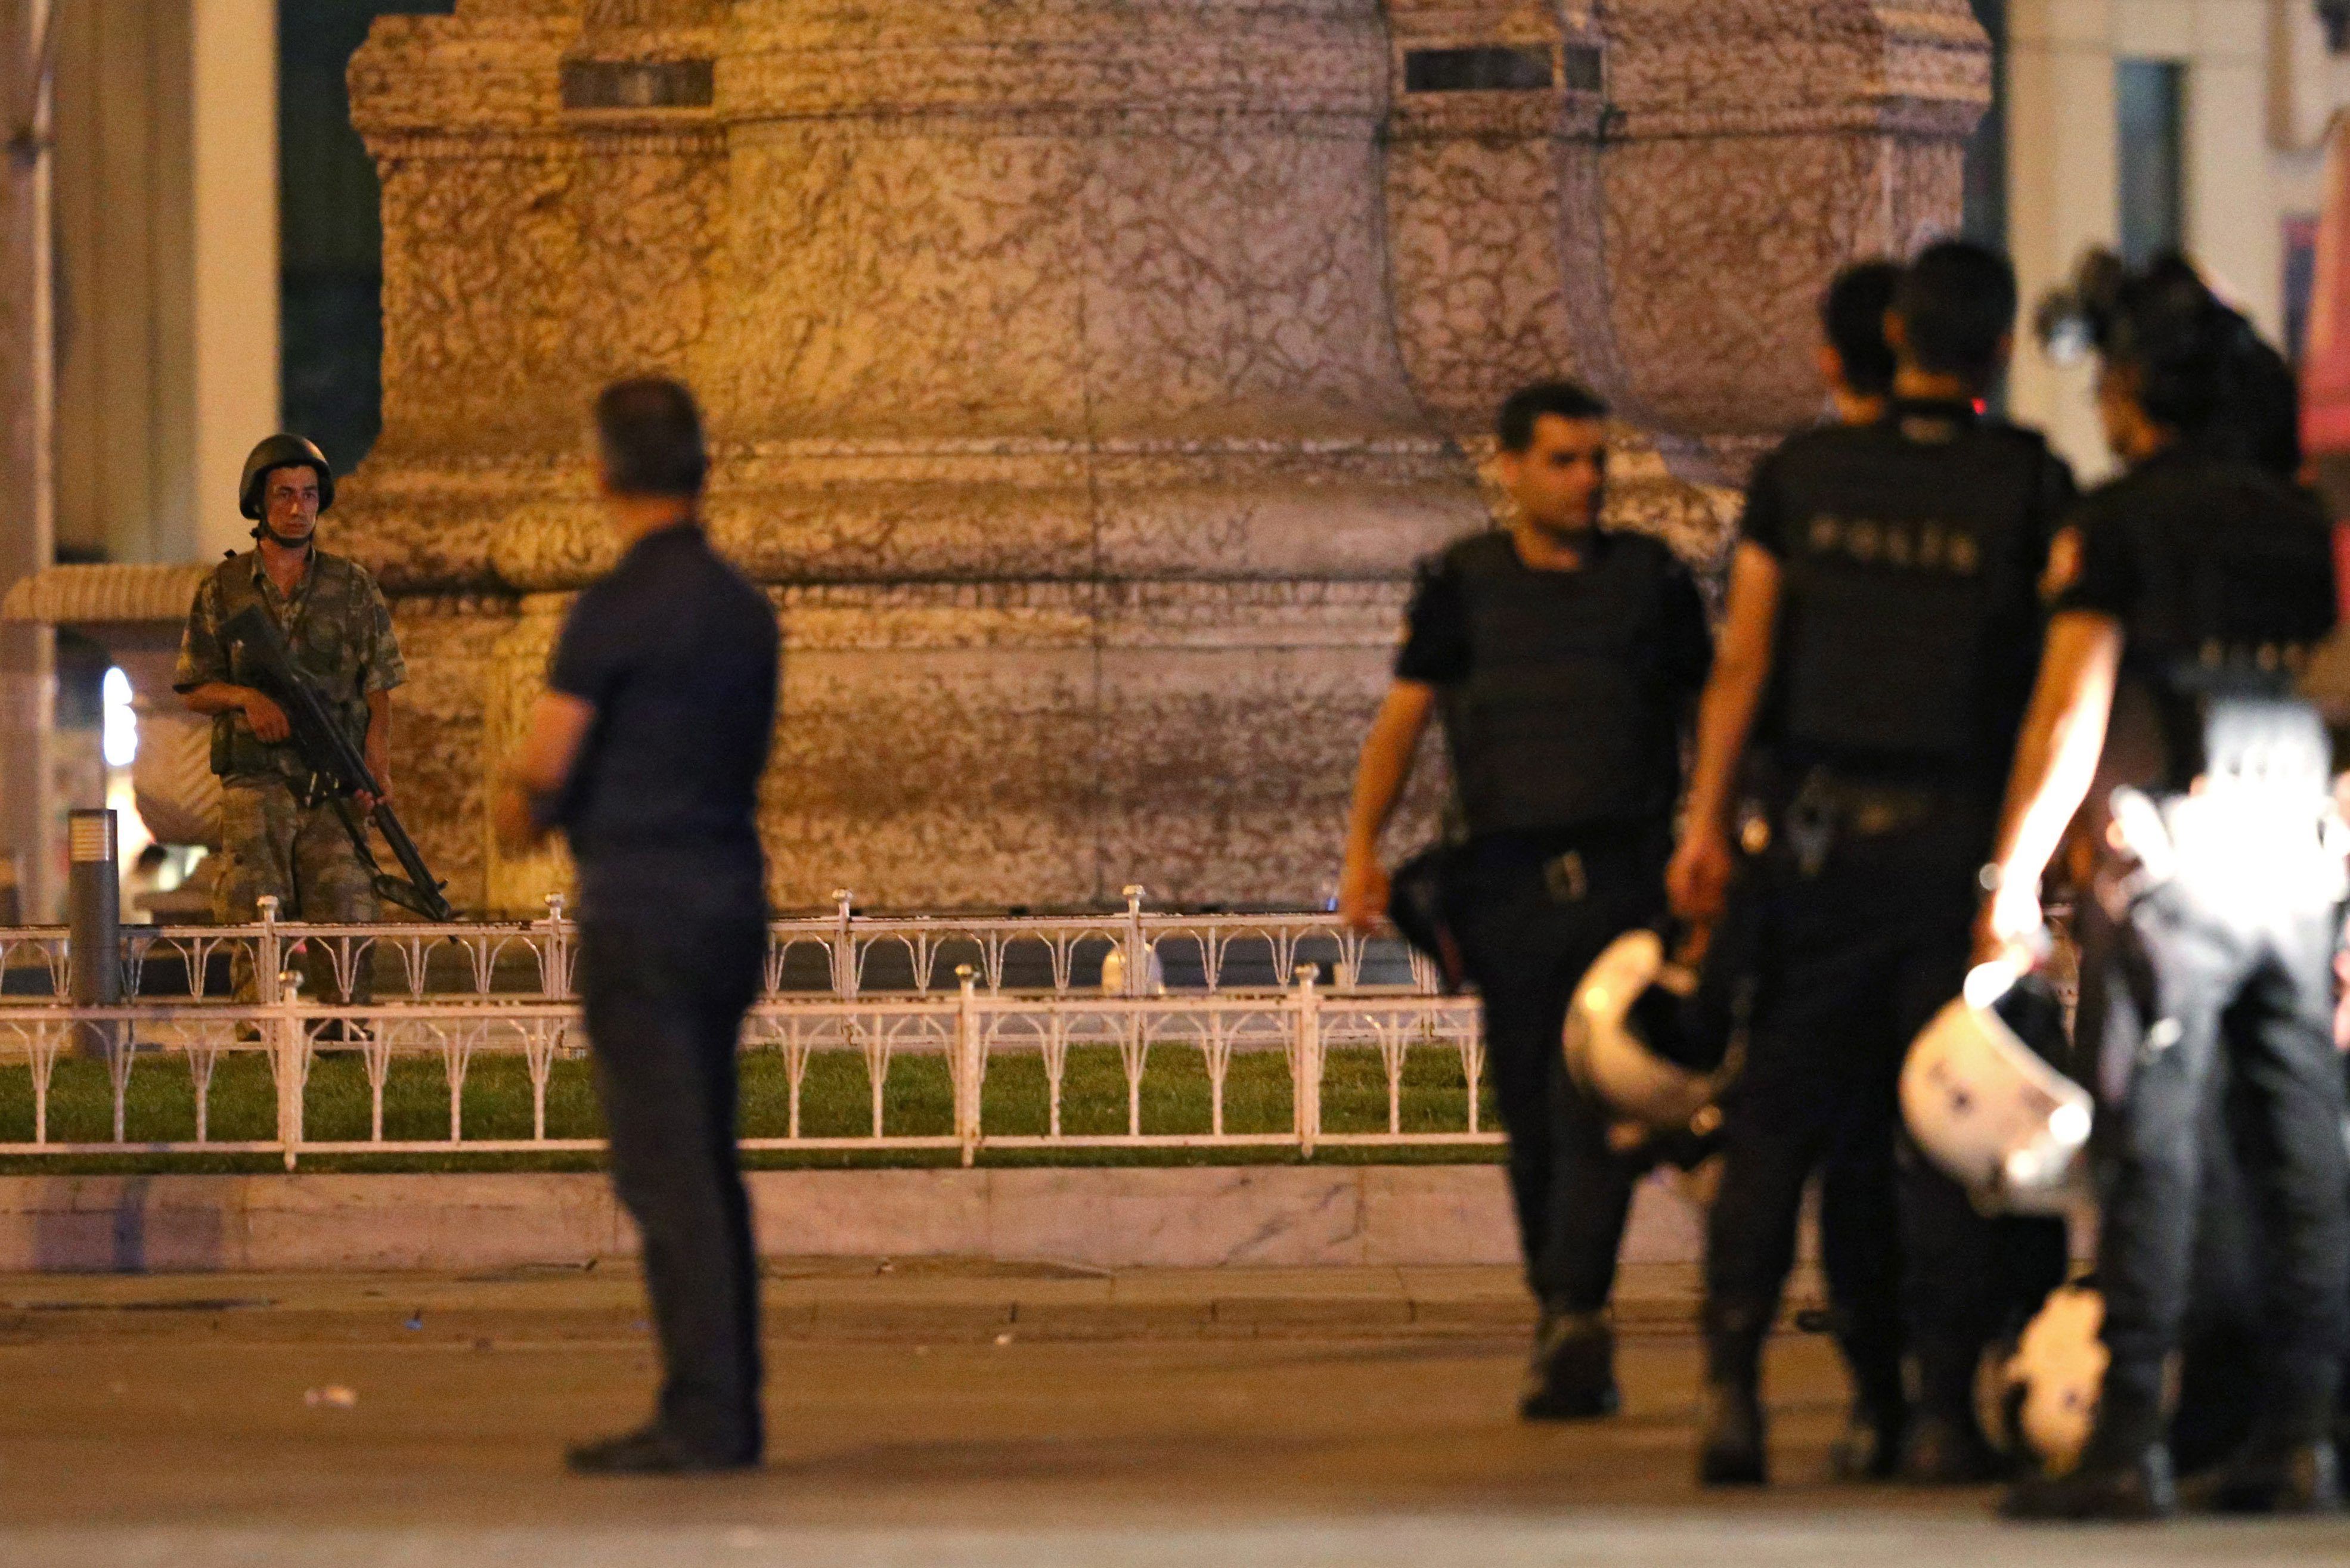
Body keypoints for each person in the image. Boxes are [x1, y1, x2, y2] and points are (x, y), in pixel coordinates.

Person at [1666, 241, 2078, 1486]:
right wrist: (2018, 872)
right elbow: (2056, 699)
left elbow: (1742, 662)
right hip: (1951, 847)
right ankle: (1939, 1410)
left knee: (1783, 1118)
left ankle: (1741, 1395)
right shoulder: (2030, 482)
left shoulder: (1805, 474)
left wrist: (1703, 824)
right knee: (1944, 1132)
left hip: (1815, 841)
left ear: (1892, 337)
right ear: (1999, 348)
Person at [1986, 282, 2350, 1520]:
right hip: (2299, 853)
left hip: (2175, 855)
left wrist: (2013, 878)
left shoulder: (2122, 517)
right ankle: (2298, 1434)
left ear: (2137, 394)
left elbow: (2069, 709)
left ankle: (2129, 1434)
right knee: (2301, 1152)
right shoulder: (2302, 519)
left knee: (2155, 1147)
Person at [1338, 380, 1713, 1420]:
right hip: (1506, 886)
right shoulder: (1464, 584)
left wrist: (1715, 835)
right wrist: (1362, 851)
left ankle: (1573, 1310)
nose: (1585, 480)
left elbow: (1707, 713)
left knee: (1589, 1094)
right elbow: (1402, 722)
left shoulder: (1648, 581)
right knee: (1530, 1106)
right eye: (1562, 460)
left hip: (1624, 880)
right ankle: (1559, 1301)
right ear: (1509, 466)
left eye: (1595, 461)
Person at [493, 378, 778, 1474]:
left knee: (665, 1172)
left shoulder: (609, 610)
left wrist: (521, 805)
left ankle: (705, 1415)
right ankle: (728, 1400)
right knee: (708, 1156)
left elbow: (548, 766)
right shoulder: (743, 608)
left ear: (602, 475)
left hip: (639, 910)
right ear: (702, 469)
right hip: (727, 900)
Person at [174, 435, 405, 1006]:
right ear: (259, 503)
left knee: (348, 920)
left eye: (308, 495)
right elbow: (193, 686)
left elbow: (380, 687)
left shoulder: (352, 588)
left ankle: (344, 1038)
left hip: (334, 786)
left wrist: (376, 764)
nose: (297, 508)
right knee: (257, 922)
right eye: (283, 495)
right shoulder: (223, 590)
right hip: (256, 788)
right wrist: (246, 698)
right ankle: (261, 1037)